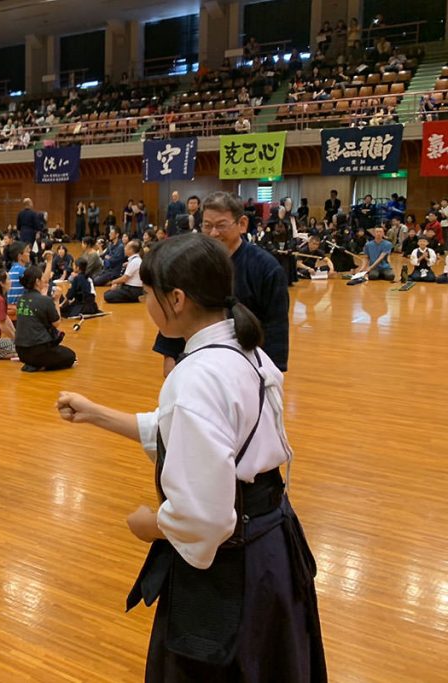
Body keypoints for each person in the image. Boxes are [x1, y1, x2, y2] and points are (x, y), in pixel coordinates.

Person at [56, 233, 325, 683]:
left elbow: (205, 517)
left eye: (148, 294)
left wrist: (152, 525)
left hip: (233, 565)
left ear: (176, 299)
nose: (145, 303)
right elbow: (197, 436)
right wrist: (98, 415)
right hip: (270, 544)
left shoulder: (195, 376)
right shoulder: (247, 349)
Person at [154, 192, 289, 377]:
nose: (213, 233)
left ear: (242, 224)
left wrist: (269, 375)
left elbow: (276, 327)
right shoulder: (191, 263)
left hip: (247, 366)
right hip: (196, 364)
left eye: (221, 226)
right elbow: (178, 314)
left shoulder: (266, 268)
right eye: (207, 226)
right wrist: (170, 362)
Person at [15, 264, 76, 372]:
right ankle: (40, 364)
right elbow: (56, 323)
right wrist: (56, 300)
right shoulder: (45, 300)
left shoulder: (20, 299)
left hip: (21, 352)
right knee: (71, 356)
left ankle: (33, 364)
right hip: (38, 351)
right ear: (37, 281)